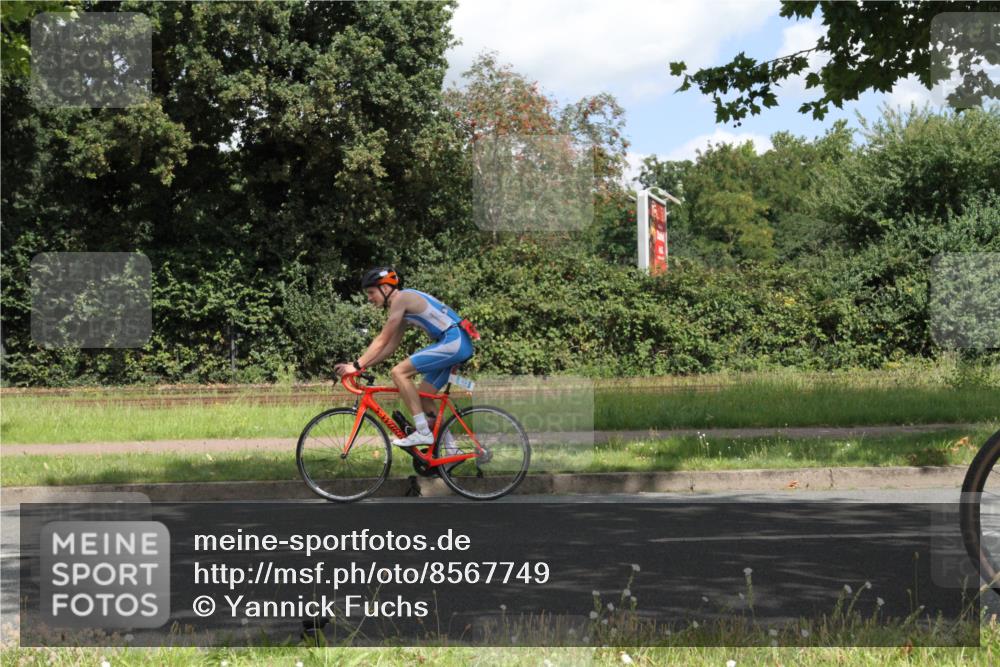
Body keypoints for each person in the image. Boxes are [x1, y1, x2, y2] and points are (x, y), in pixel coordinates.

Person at [334, 267, 479, 448]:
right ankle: (452, 451)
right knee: (424, 395)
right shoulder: (402, 306)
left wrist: (356, 365)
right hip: (456, 342)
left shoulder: (402, 299)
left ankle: (423, 432)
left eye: (371, 292)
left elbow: (382, 339)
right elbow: (389, 347)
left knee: (399, 372)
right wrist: (361, 366)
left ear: (385, 289)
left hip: (454, 341)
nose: (369, 298)